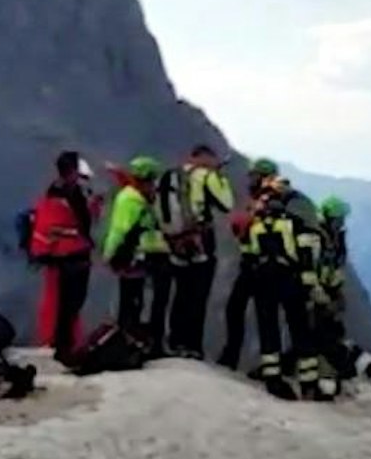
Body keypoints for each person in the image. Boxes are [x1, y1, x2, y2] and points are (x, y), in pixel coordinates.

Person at [297, 195, 371, 398]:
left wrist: (335, 294)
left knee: (325, 337)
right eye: (339, 218)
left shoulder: (336, 239)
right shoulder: (315, 237)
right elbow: (307, 268)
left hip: (326, 295)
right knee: (318, 338)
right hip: (313, 295)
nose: (341, 222)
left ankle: (329, 380)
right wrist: (317, 293)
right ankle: (332, 379)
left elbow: (335, 269)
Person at [244, 176, 322, 400]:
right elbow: (306, 256)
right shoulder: (295, 223)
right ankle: (309, 383)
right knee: (300, 329)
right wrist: (310, 285)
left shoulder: (254, 227)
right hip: (290, 280)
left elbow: (249, 257)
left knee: (268, 331)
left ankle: (273, 380)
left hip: (263, 282)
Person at [159, 145, 234, 359]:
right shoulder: (206, 176)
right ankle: (193, 345)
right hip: (201, 241)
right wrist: (219, 177)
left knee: (181, 292)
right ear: (205, 157)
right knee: (198, 294)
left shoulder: (173, 175)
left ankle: (175, 340)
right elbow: (226, 203)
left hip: (176, 242)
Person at [31, 151, 100, 360]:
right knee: (68, 303)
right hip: (67, 255)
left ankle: (66, 342)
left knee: (72, 302)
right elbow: (60, 227)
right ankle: (63, 345)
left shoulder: (71, 193)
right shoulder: (59, 196)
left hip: (74, 254)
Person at [216, 157, 283, 370]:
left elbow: (259, 229)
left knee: (263, 315)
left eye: (254, 176)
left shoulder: (270, 200)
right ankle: (234, 356)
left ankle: (266, 364)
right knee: (239, 310)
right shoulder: (263, 198)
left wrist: (242, 225)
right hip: (253, 264)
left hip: (263, 266)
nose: (250, 180)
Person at [102, 156, 164, 340]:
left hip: (136, 256)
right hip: (131, 256)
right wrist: (111, 253)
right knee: (131, 300)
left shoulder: (134, 197)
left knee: (133, 299)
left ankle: (129, 336)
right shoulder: (132, 200)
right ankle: (126, 337)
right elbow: (121, 229)